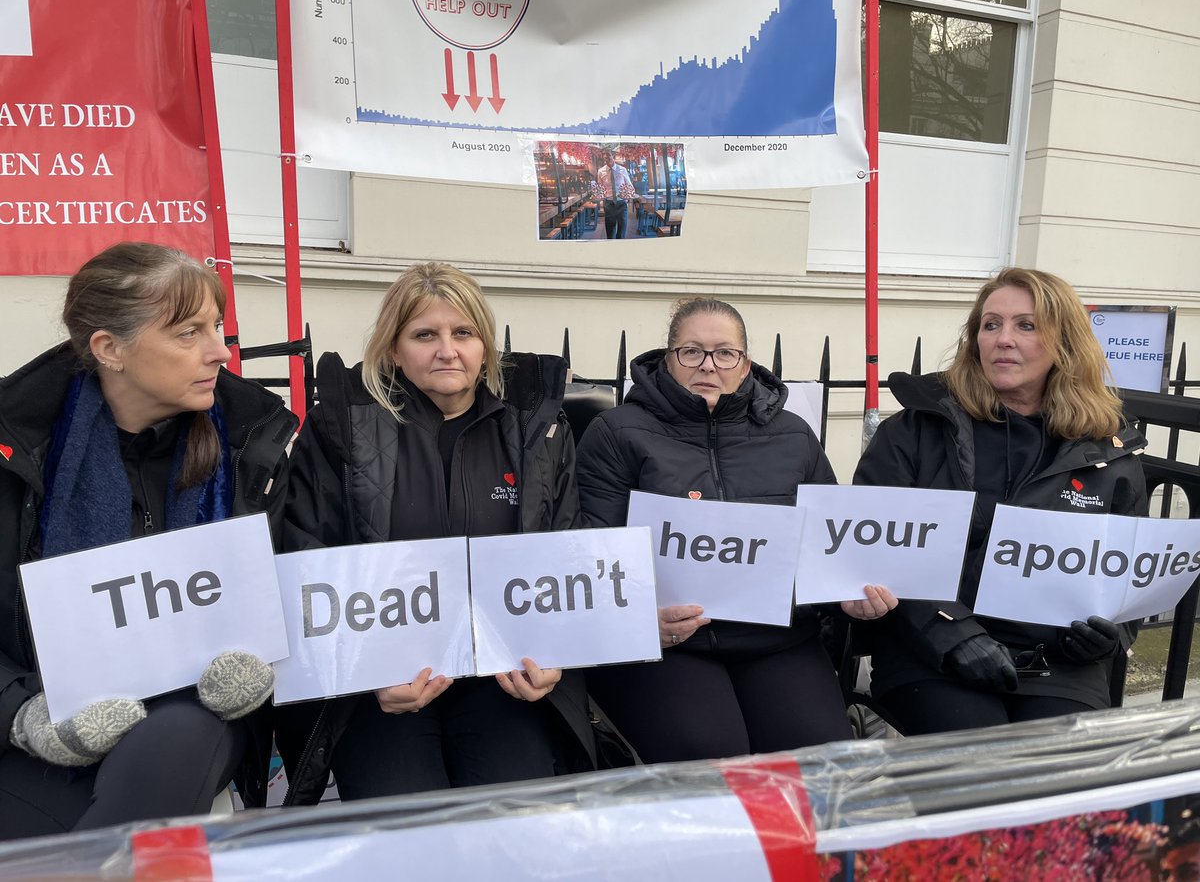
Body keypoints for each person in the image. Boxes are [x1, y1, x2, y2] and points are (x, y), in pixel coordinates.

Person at [0, 243, 296, 839]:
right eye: (189, 333)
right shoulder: (16, 455)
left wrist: (259, 665)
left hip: (195, 710)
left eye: (216, 326)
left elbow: (291, 593)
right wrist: (23, 714)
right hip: (43, 711)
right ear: (110, 349)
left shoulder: (251, 449)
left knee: (177, 740)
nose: (220, 350)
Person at [277, 262, 595, 804]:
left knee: (511, 816)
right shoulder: (340, 431)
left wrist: (552, 656)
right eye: (426, 334)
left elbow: (566, 555)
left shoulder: (537, 432)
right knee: (406, 825)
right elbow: (306, 555)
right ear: (394, 349)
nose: (447, 350)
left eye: (463, 333)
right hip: (381, 682)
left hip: (502, 680)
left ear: (485, 347)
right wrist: (370, 672)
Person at [575, 297, 895, 763]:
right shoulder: (617, 432)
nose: (709, 365)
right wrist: (640, 620)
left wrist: (850, 595)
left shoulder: (793, 436)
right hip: (667, 643)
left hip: (777, 639)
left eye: (725, 353)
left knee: (820, 756)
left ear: (745, 365)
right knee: (709, 752)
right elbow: (592, 548)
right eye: (691, 351)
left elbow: (829, 543)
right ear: (667, 360)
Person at [854, 267, 1148, 734]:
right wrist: (952, 633)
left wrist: (1106, 638)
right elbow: (873, 548)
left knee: (1058, 773)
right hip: (931, 650)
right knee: (984, 761)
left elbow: (1126, 578)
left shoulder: (1106, 448)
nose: (1002, 339)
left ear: (1065, 343)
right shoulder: (916, 430)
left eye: (1025, 326)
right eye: (990, 325)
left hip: (1059, 666)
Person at [597, 149, 635, 240]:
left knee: (621, 232)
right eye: (605, 156)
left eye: (608, 155)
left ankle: (620, 251)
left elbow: (629, 186)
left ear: (613, 156)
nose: (606, 158)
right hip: (609, 204)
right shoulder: (601, 171)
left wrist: (626, 197)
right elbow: (600, 189)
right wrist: (600, 198)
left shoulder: (622, 170)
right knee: (610, 232)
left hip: (621, 203)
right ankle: (611, 251)